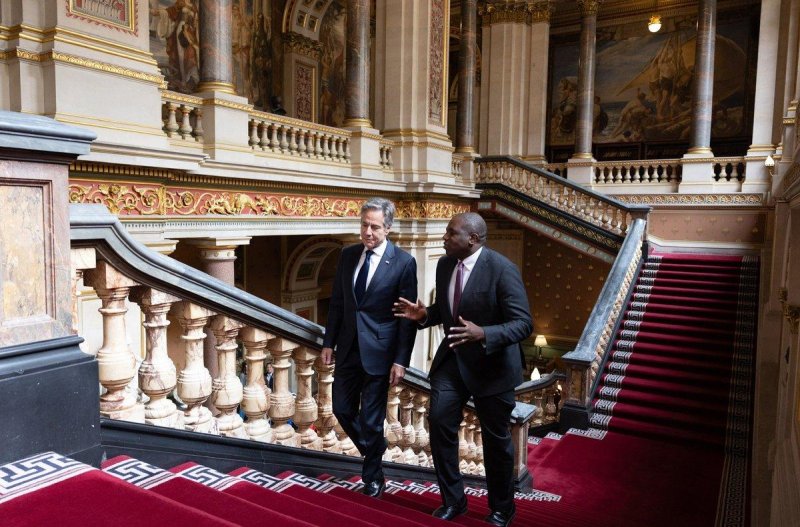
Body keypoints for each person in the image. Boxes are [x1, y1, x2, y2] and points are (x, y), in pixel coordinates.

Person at [394, 212, 532, 527]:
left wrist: (485, 333)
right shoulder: (445, 265)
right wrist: (424, 315)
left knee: (496, 441)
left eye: (450, 232)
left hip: (493, 366)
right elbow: (448, 308)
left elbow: (523, 324)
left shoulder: (502, 270)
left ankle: (502, 509)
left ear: (472, 239)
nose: (444, 237)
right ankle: (454, 501)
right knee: (440, 422)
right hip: (453, 361)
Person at [322, 197, 418, 498]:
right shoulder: (348, 255)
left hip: (381, 353)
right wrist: (329, 342)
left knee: (372, 419)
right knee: (341, 408)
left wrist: (401, 360)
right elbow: (338, 303)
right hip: (348, 348)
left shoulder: (404, 262)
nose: (367, 232)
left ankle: (373, 478)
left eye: (375, 227)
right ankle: (375, 448)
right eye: (364, 225)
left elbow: (407, 318)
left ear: (387, 228)